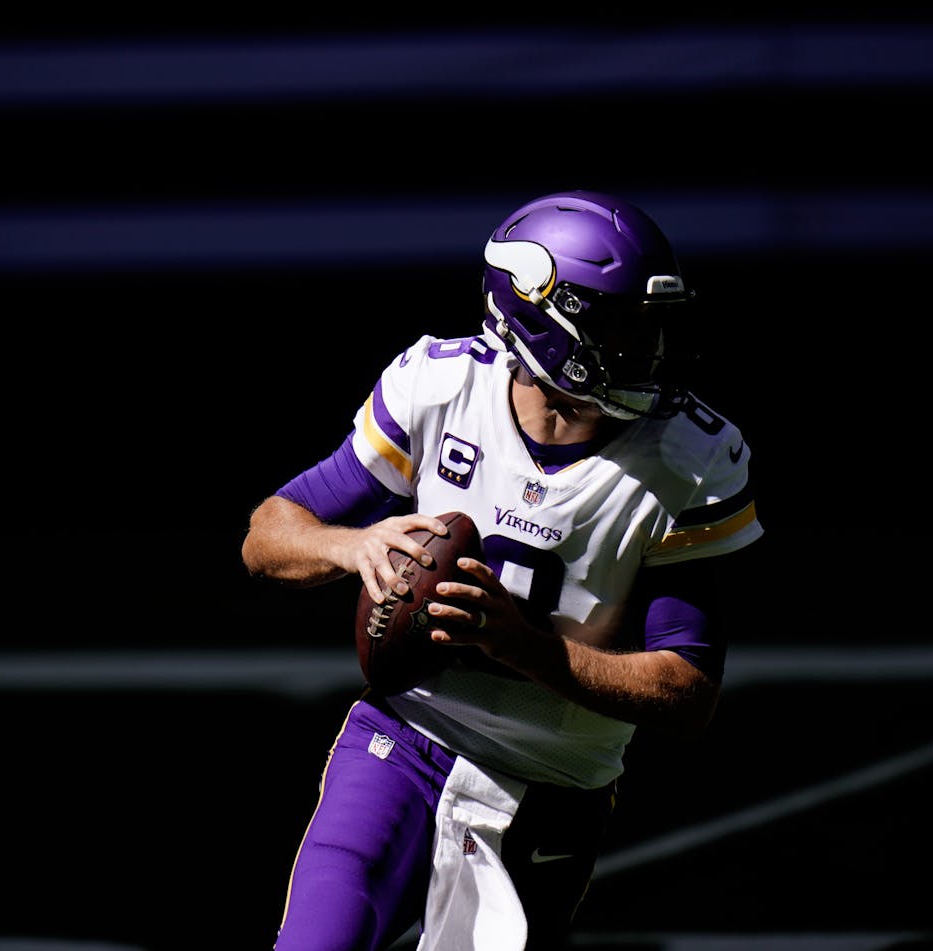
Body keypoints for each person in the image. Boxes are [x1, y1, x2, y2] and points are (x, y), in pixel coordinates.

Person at [241, 189, 764, 951]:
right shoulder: (442, 387)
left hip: (552, 785)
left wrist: (522, 644)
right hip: (404, 741)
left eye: (649, 325)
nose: (645, 349)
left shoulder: (686, 458)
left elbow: (686, 693)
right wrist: (351, 546)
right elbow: (266, 534)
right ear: (536, 315)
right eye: (618, 325)